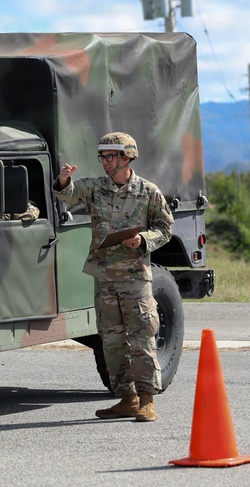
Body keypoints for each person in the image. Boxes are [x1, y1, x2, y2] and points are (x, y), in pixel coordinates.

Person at [53, 131, 173, 422]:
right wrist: (64, 179)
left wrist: (143, 239)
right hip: (105, 277)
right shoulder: (95, 188)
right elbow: (67, 195)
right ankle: (127, 398)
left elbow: (165, 227)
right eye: (102, 157)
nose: (105, 162)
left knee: (142, 337)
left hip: (134, 277)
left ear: (126, 157)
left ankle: (147, 400)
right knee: (111, 341)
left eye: (110, 157)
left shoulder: (147, 191)